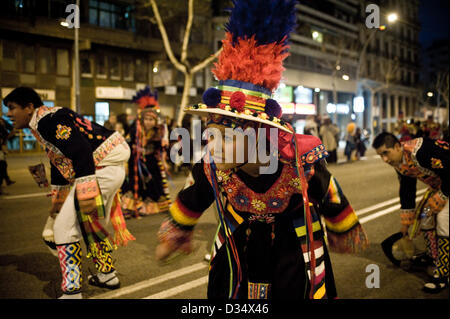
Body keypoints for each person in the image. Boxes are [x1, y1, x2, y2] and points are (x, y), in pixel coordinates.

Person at [154, 0, 368, 300]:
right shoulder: (211, 167)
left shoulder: (299, 163)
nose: (211, 146)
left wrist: (343, 227)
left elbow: (328, 190)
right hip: (235, 254)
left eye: (225, 138)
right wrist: (177, 234)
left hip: (291, 252)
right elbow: (193, 197)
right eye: (210, 135)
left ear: (258, 136)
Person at [4, 87, 135, 299]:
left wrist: (85, 193)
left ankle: (73, 291)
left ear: (29, 108)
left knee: (62, 228)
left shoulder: (47, 121)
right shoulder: (45, 120)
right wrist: (57, 203)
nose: (9, 114)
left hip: (101, 168)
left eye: (12, 108)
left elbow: (81, 151)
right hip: (107, 167)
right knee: (90, 223)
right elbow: (60, 163)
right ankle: (107, 275)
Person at [373, 132, 449, 293]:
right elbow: (407, 190)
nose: (384, 160)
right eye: (380, 156)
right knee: (425, 216)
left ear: (396, 146)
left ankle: (443, 273)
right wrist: (405, 224)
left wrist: (442, 197)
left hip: (447, 186)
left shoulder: (421, 151)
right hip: (441, 187)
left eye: (386, 153)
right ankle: (432, 255)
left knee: (443, 219)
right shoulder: (400, 162)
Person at [120, 86, 171, 218]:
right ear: (142, 120)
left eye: (151, 119)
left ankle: (150, 206)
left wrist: (164, 161)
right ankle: (129, 208)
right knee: (133, 183)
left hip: (151, 162)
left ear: (155, 121)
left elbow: (160, 149)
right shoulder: (135, 129)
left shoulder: (158, 132)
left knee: (153, 183)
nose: (148, 122)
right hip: (135, 161)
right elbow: (127, 143)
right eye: (146, 119)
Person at [0, 117, 15, 194]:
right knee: (2, 165)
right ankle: (6, 180)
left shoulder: (2, 121)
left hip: (1, 149)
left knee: (3, 165)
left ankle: (6, 180)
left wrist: (4, 142)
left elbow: (9, 131)